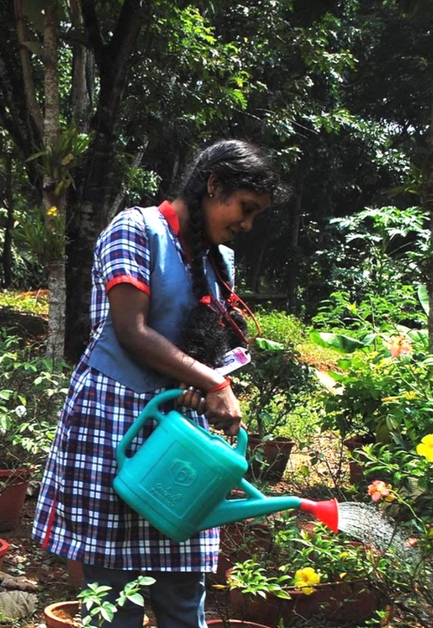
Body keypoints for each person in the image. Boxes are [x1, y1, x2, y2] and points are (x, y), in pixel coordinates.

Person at [31, 139, 284, 628]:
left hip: (180, 435)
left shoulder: (219, 261)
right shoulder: (136, 229)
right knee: (114, 600)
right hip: (114, 424)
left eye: (255, 215)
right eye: (245, 208)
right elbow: (132, 332)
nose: (247, 224)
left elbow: (202, 344)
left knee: (182, 593)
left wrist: (203, 383)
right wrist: (209, 381)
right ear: (214, 186)